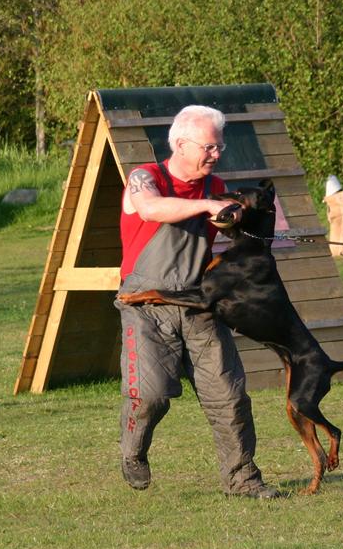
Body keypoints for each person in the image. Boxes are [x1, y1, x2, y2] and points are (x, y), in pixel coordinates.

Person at [115, 104, 281, 498]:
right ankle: (133, 451)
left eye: (219, 147)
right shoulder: (145, 178)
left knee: (229, 396)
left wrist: (241, 218)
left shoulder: (215, 186)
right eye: (210, 146)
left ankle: (242, 480)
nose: (217, 154)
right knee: (151, 395)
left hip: (199, 304)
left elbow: (233, 227)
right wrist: (208, 207)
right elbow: (152, 209)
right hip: (145, 305)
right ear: (181, 144)